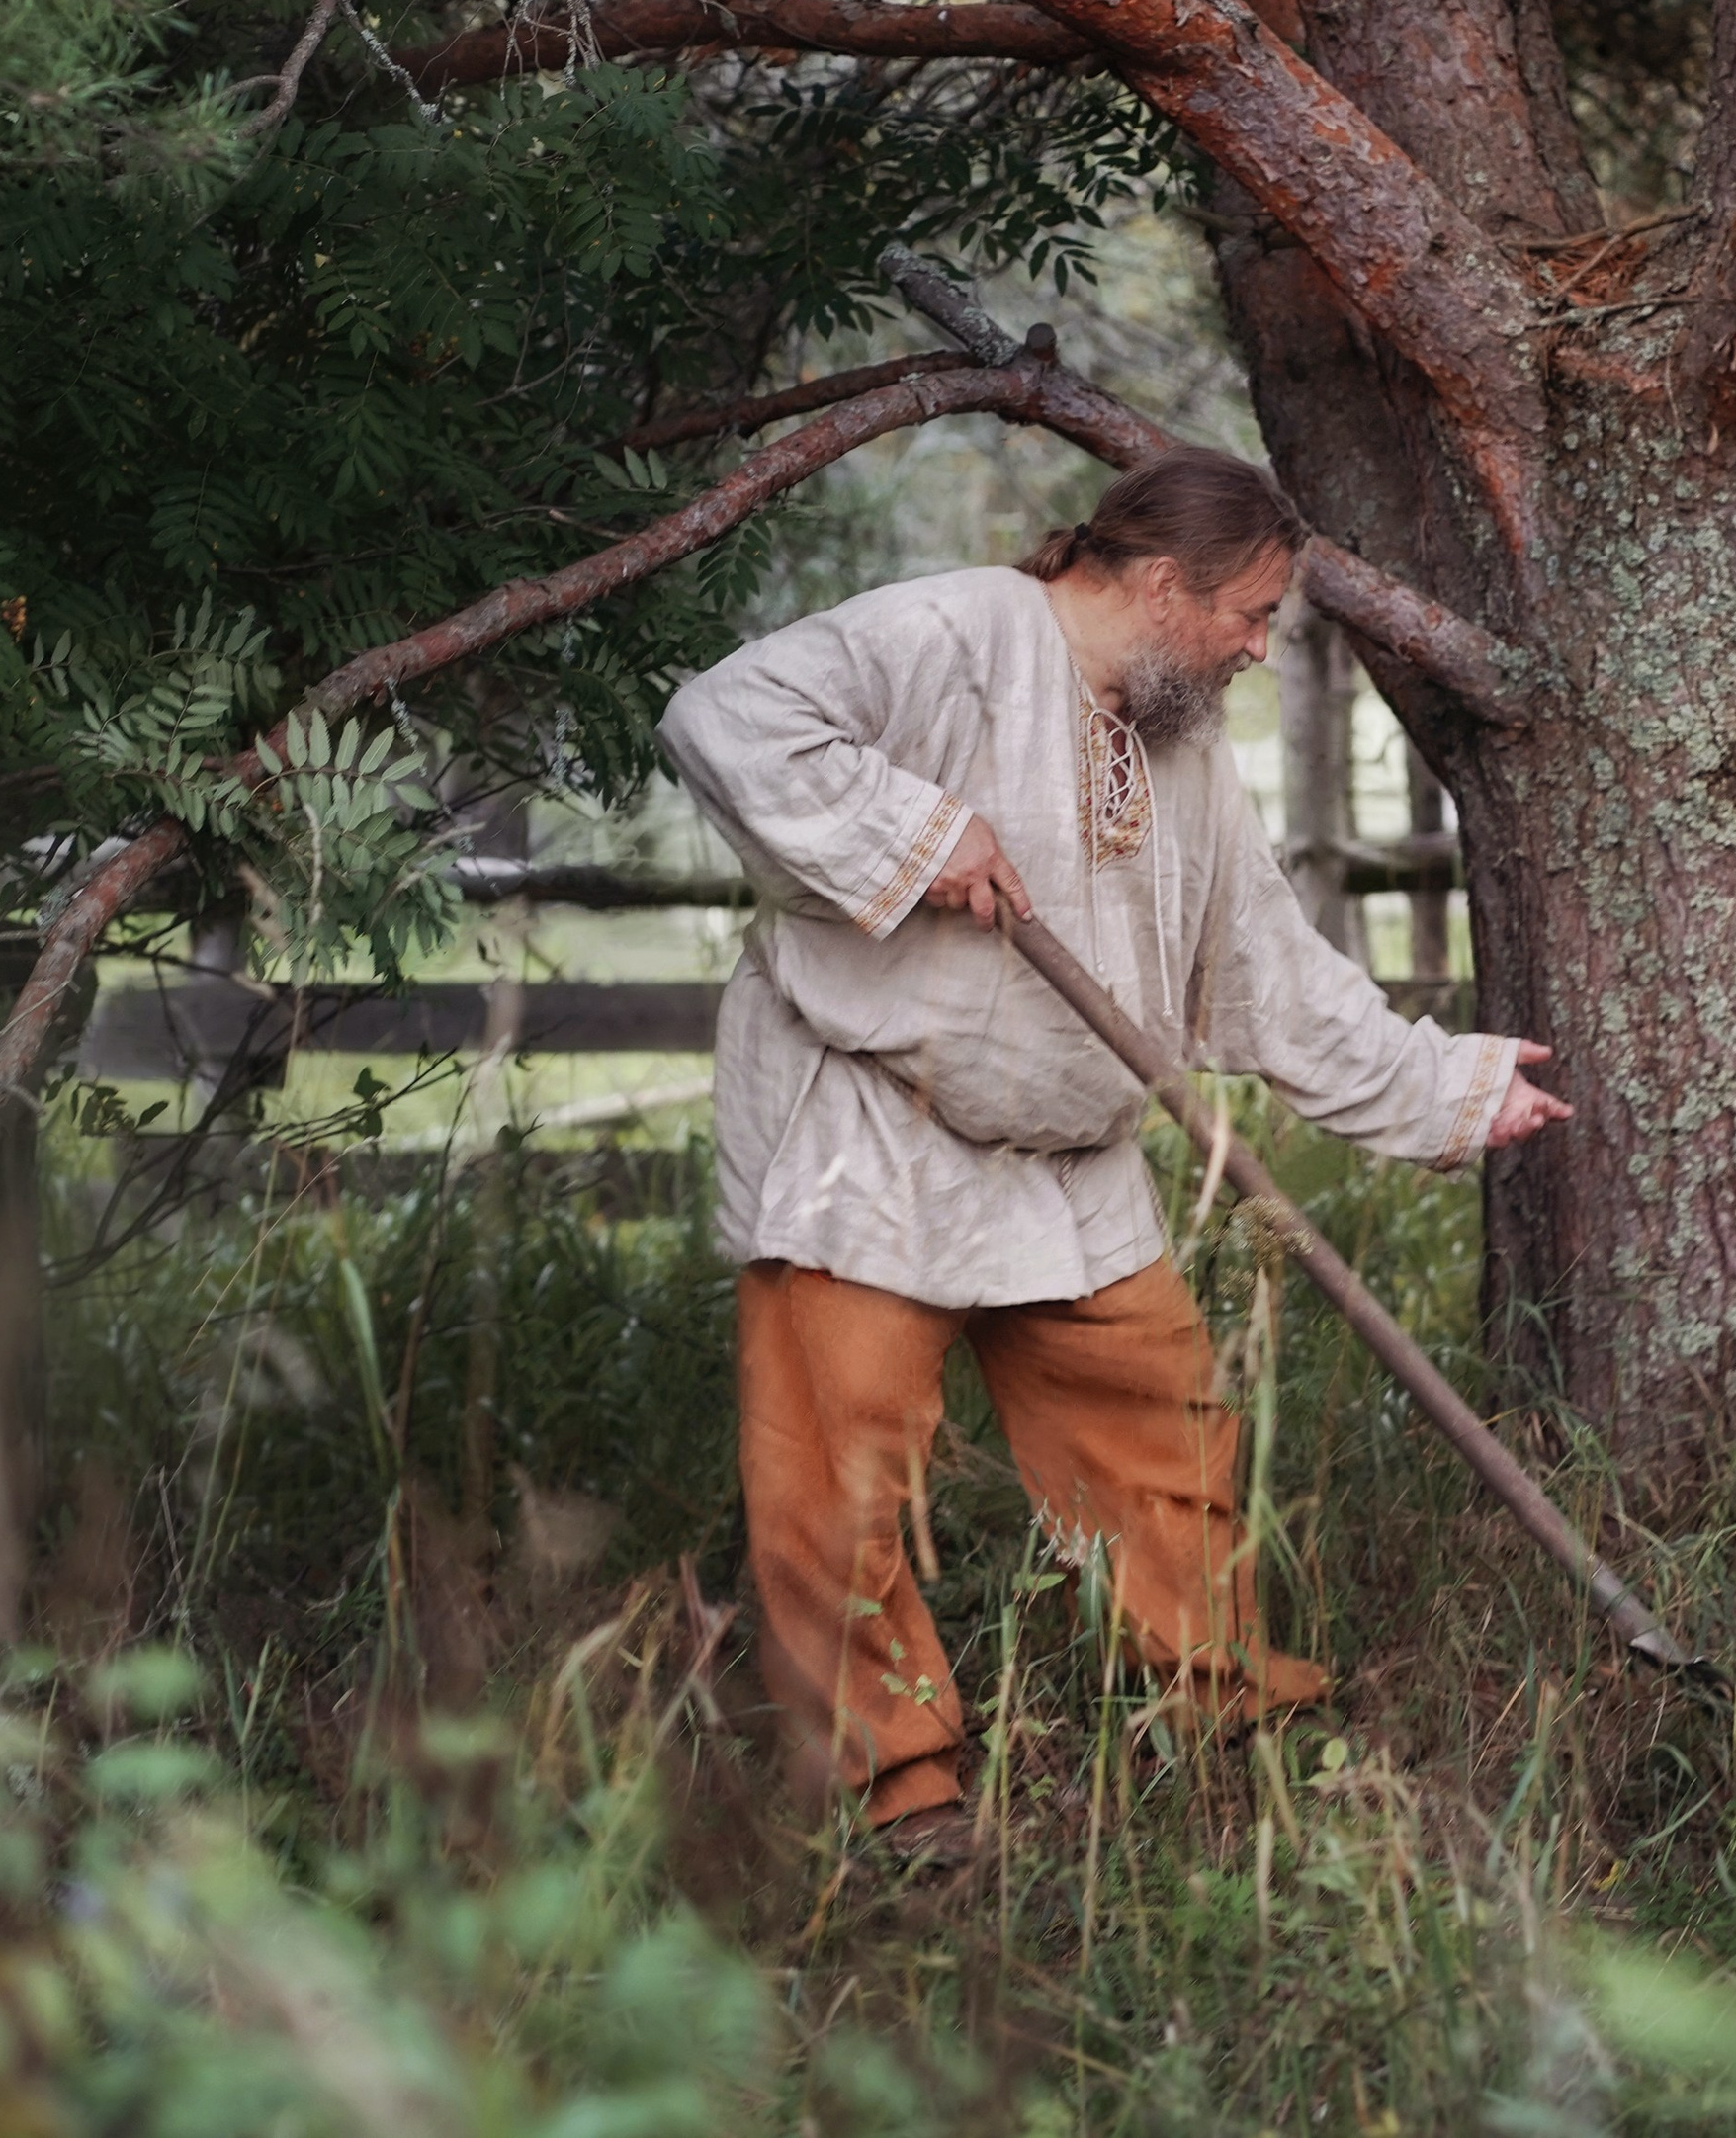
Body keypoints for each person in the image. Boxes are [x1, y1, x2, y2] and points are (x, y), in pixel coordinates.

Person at [657, 448, 1571, 1852]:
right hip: (869, 1133)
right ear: (1156, 582)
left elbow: (1260, 960)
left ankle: (1226, 1727)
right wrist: (916, 831)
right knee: (836, 1488)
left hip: (1073, 1156)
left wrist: (1436, 1087)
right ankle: (901, 1792)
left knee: (1168, 1454)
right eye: (1250, 616)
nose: (1260, 653)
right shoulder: (956, 634)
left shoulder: (1181, 741)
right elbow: (725, 716)